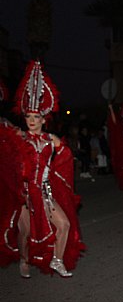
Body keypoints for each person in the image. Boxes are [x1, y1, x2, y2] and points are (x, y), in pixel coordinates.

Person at [0, 61, 85, 278]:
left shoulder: (50, 139)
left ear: (43, 119)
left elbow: (66, 157)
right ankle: (23, 259)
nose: (31, 120)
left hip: (45, 192)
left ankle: (57, 260)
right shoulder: (20, 137)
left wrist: (57, 167)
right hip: (25, 193)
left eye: (36, 117)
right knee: (25, 231)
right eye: (28, 116)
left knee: (63, 224)